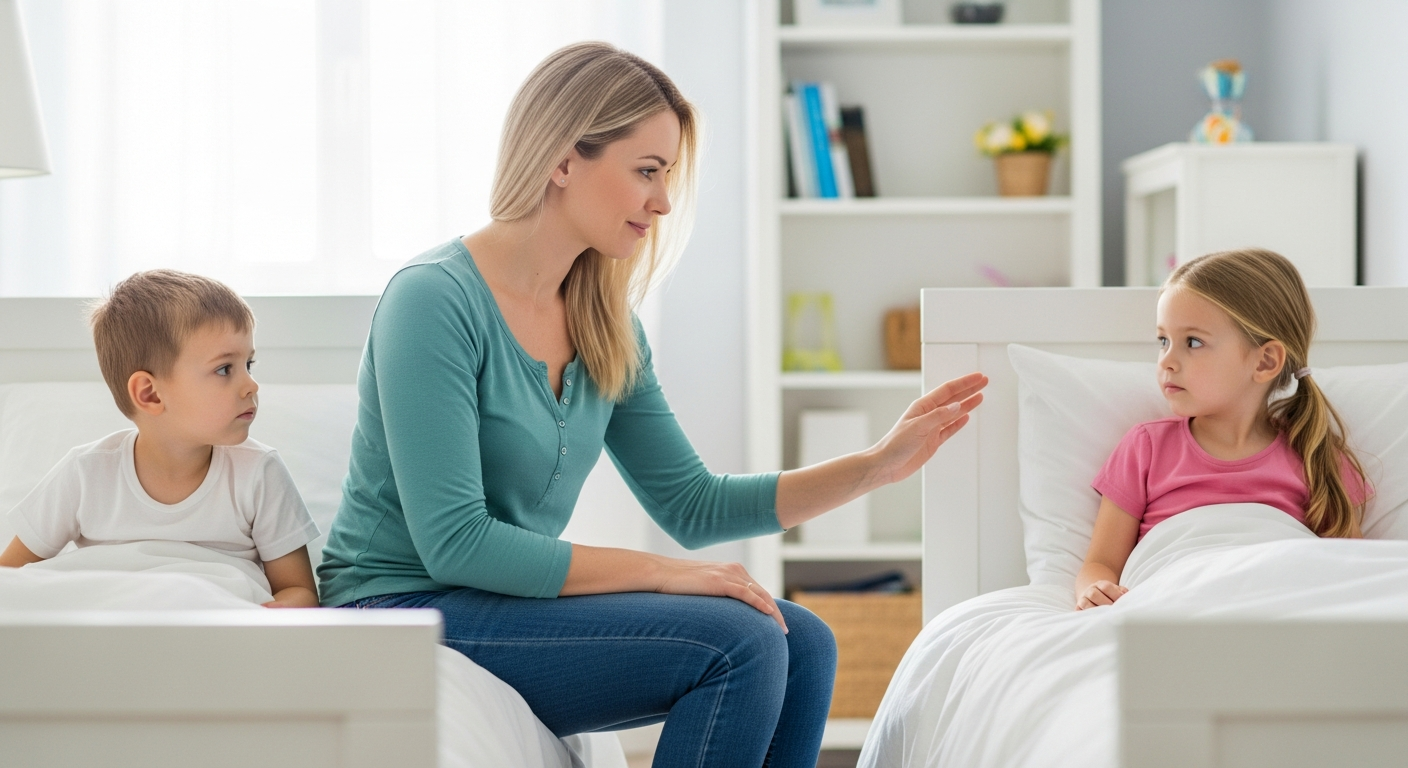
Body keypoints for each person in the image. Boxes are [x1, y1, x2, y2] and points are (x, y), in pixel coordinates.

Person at [316, 42, 984, 767]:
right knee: (742, 641)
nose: (663, 202)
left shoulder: (606, 322)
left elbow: (692, 505)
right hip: (400, 608)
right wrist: (662, 572)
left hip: (501, 607)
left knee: (806, 641)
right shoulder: (433, 301)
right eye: (647, 172)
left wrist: (877, 467)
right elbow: (456, 543)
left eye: (666, 177)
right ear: (563, 160)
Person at [0, 270, 320, 609]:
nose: (251, 385)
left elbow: (299, 592)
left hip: (211, 624)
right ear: (150, 394)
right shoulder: (86, 472)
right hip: (111, 627)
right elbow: (10, 578)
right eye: (225, 369)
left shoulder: (258, 472)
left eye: (249, 365)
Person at [1075, 248, 1370, 611]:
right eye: (1163, 340)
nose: (1167, 361)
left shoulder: (1314, 454)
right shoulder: (1146, 447)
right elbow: (1101, 562)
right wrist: (1095, 589)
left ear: (1265, 361)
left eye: (1193, 342)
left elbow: (1357, 577)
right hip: (1171, 604)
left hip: (1275, 607)